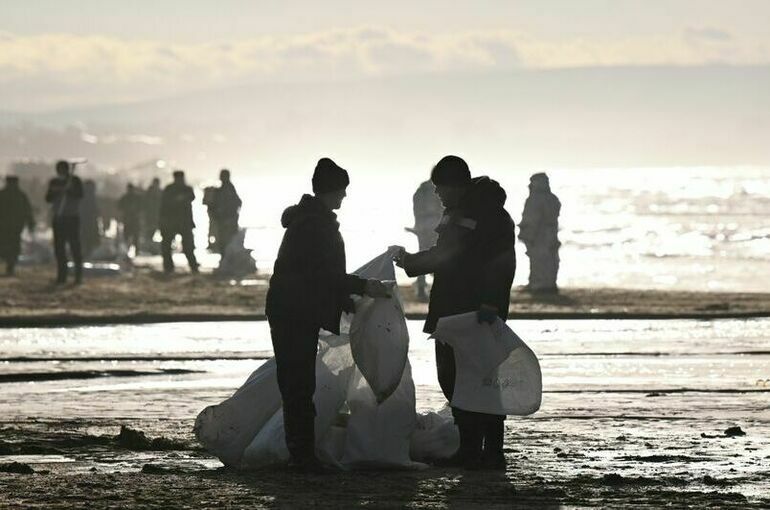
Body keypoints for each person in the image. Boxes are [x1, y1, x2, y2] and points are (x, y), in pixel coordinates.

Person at [265, 157, 390, 472]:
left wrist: (345, 297)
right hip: (294, 311)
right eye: (342, 190)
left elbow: (318, 274)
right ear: (330, 190)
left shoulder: (309, 220)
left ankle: (301, 452)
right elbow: (324, 274)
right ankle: (302, 456)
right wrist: (364, 286)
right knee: (298, 383)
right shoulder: (315, 225)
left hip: (290, 308)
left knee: (297, 381)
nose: (344, 197)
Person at [392, 155, 516, 471]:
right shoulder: (460, 213)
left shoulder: (489, 216)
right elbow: (446, 255)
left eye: (440, 188)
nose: (437, 194)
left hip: (474, 313)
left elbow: (499, 264)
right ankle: (472, 447)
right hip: (452, 309)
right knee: (456, 380)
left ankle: (489, 452)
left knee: (479, 380)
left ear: (455, 185)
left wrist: (410, 262)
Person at [518, 173, 561, 293]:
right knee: (544, 260)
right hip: (549, 235)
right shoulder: (552, 199)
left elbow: (532, 220)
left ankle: (541, 285)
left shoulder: (535, 199)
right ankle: (543, 283)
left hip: (540, 236)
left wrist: (527, 234)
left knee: (541, 260)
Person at [46, 160, 84, 284]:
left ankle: (78, 277)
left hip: (72, 218)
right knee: (59, 249)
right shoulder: (54, 182)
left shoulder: (75, 181)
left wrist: (69, 191)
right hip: (58, 218)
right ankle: (62, 276)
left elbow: (80, 194)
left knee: (75, 248)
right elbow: (48, 198)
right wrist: (58, 191)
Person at [406, 180, 444, 301]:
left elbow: (416, 206)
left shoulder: (422, 189)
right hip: (436, 225)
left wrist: (417, 225)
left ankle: (421, 289)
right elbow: (442, 207)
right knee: (439, 256)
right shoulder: (439, 188)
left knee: (423, 255)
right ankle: (430, 288)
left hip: (423, 227)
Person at [159, 170, 199, 274]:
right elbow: (164, 205)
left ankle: (193, 266)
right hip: (172, 222)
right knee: (168, 246)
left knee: (188, 247)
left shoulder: (186, 189)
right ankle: (169, 268)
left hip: (182, 222)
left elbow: (191, 197)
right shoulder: (171, 189)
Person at [0, 176, 35, 276]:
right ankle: (10, 265)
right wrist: (30, 223)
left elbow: (27, 211)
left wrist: (30, 223)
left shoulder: (4, 194)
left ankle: (10, 265)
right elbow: (28, 211)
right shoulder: (20, 195)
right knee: (11, 246)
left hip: (9, 226)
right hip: (12, 226)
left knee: (8, 245)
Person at [212, 169, 242, 254]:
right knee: (226, 241)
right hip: (225, 219)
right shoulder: (225, 189)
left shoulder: (227, 189)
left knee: (227, 241)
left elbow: (237, 203)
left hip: (228, 219)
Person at [118, 183, 143, 253]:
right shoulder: (130, 198)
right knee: (131, 236)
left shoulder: (130, 198)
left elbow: (119, 207)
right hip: (130, 220)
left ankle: (131, 251)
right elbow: (120, 207)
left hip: (132, 220)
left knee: (133, 236)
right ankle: (130, 251)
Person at [142, 178, 162, 250]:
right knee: (149, 232)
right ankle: (150, 247)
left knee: (151, 232)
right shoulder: (150, 193)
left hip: (156, 216)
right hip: (151, 216)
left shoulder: (157, 192)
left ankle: (151, 247)